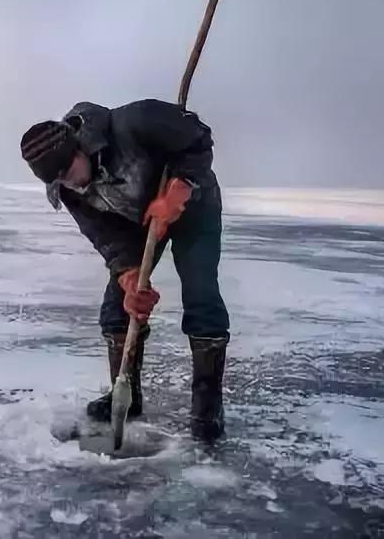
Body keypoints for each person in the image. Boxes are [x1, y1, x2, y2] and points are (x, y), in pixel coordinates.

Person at [19, 98, 230, 440]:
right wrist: (129, 275)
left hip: (195, 208)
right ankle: (126, 396)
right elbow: (105, 236)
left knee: (200, 292)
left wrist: (179, 189)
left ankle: (208, 407)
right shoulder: (69, 189)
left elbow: (198, 138)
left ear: (80, 150)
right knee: (117, 309)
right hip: (139, 223)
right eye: (61, 182)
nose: (74, 186)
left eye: (70, 174)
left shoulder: (136, 121)